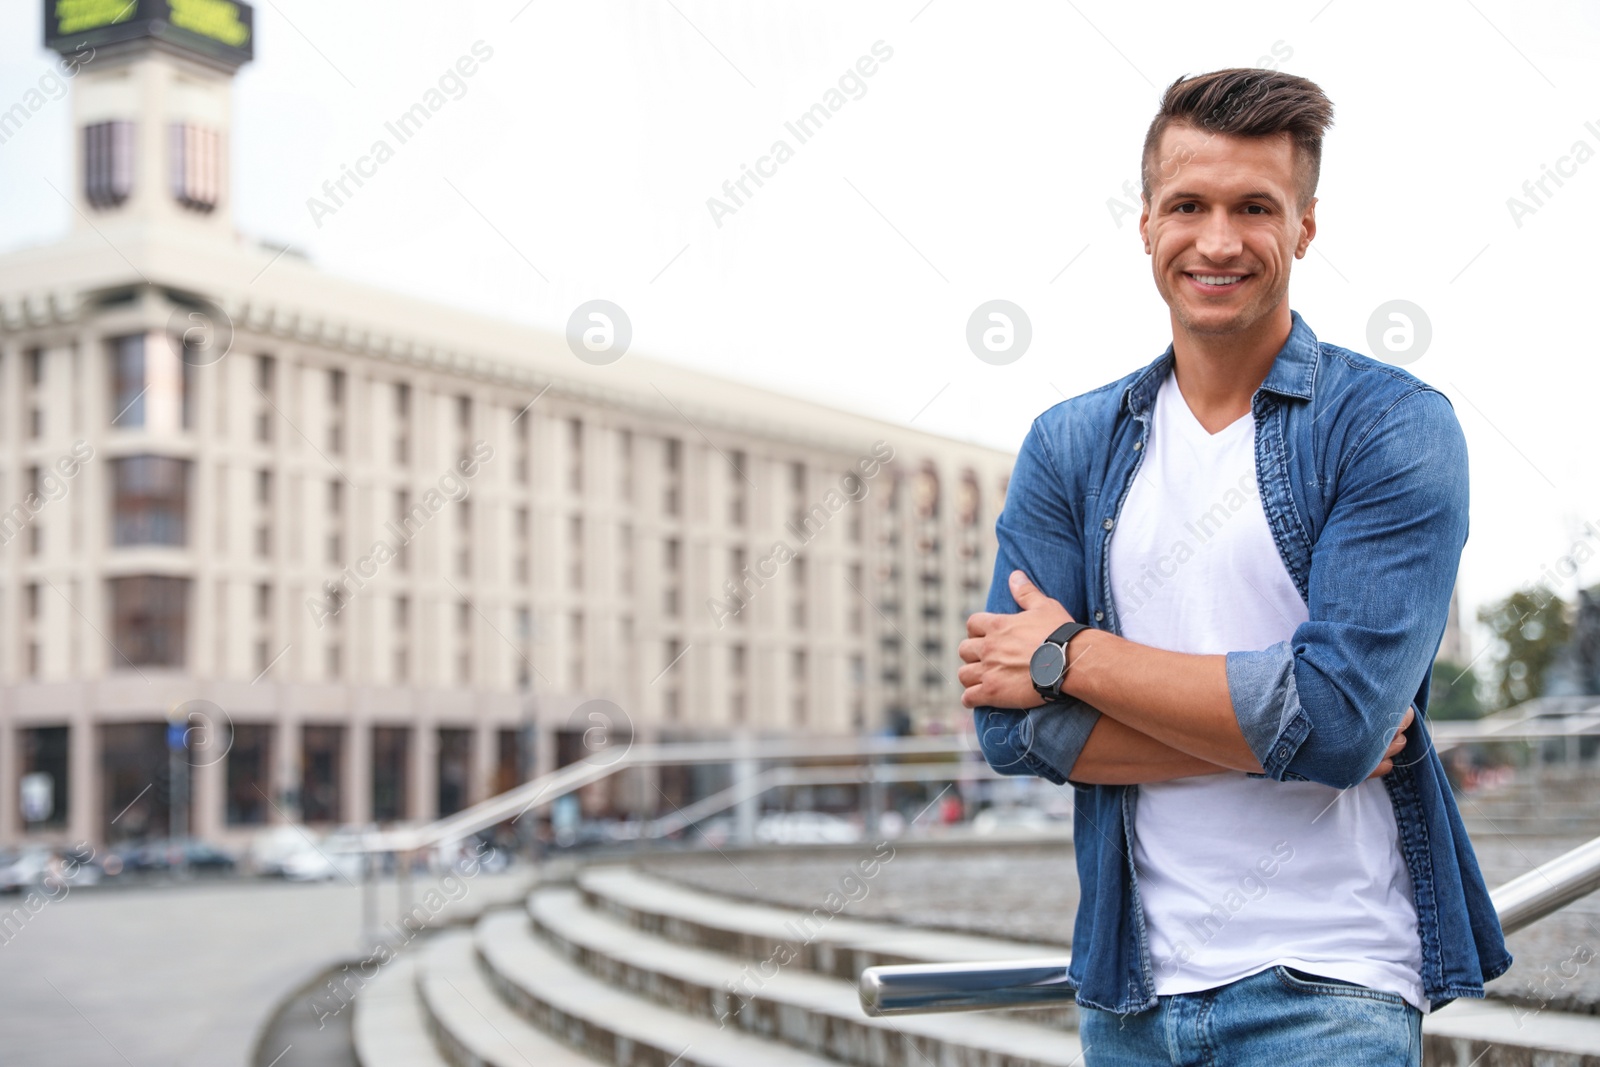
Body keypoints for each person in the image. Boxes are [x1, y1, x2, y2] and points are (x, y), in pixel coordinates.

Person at [959, 67, 1509, 1065]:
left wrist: (1071, 656)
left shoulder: (1389, 425)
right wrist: (1279, 729)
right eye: (1188, 205)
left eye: (1254, 206)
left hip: (1329, 987)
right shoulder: (1071, 445)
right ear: (1144, 223)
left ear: (1302, 226)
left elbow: (1340, 716)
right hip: (1128, 994)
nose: (1217, 241)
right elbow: (1007, 727)